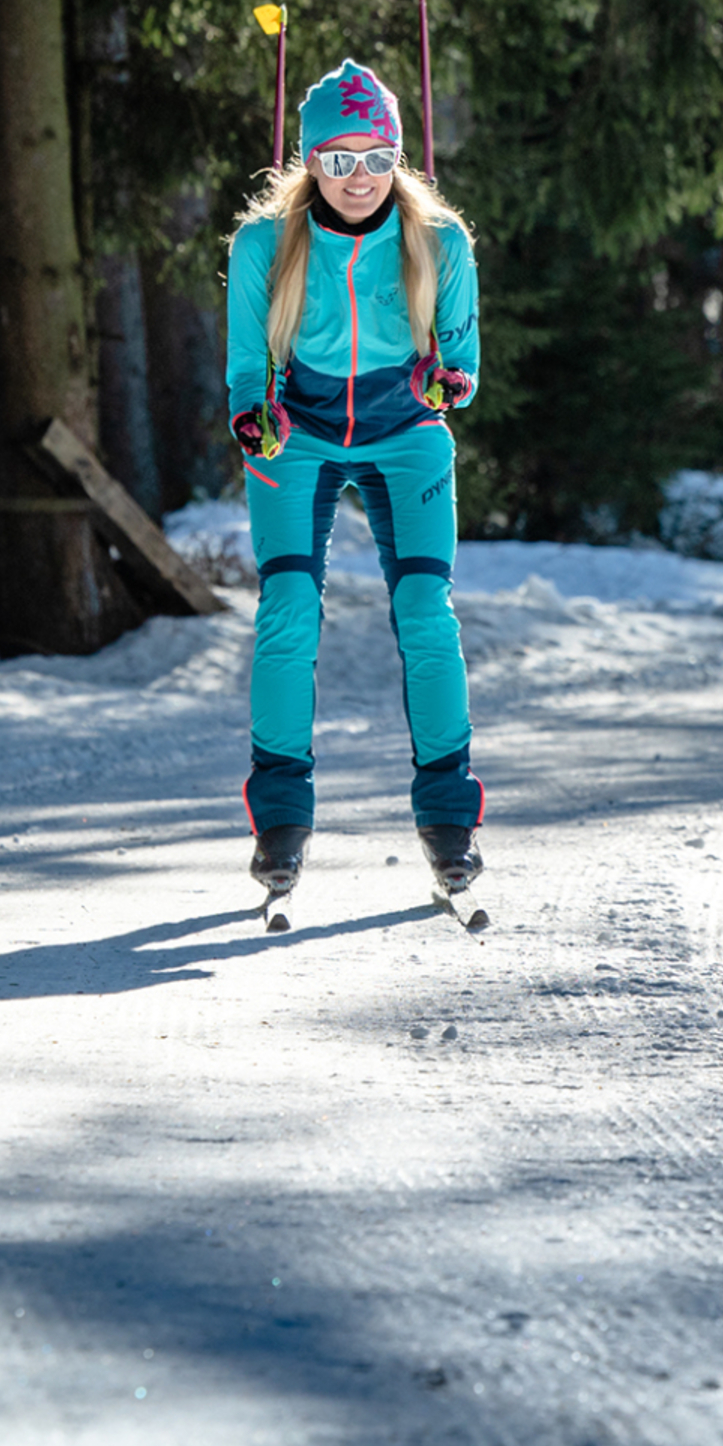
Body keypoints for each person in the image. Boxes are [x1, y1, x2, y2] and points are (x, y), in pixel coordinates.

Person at [225, 58, 485, 906]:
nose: (359, 179)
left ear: (398, 159)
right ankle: (281, 820)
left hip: (404, 430)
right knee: (290, 607)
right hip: (297, 433)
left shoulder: (439, 241)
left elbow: (464, 358)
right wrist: (252, 412)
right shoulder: (266, 242)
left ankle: (449, 816)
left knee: (423, 611)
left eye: (376, 158)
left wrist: (451, 381)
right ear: (309, 164)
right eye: (337, 161)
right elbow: (244, 370)